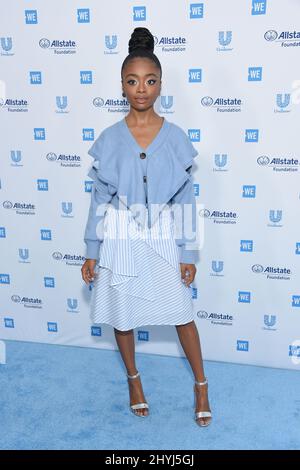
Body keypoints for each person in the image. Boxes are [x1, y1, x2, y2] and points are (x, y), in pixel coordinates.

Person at [81, 27, 211, 427]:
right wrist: (91, 250)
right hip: (119, 234)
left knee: (181, 312)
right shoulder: (108, 139)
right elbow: (99, 199)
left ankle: (201, 384)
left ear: (160, 85)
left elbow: (187, 200)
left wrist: (188, 252)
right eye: (133, 81)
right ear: (122, 85)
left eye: (150, 81)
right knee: (123, 315)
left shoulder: (175, 138)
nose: (142, 89)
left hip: (161, 236)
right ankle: (134, 381)